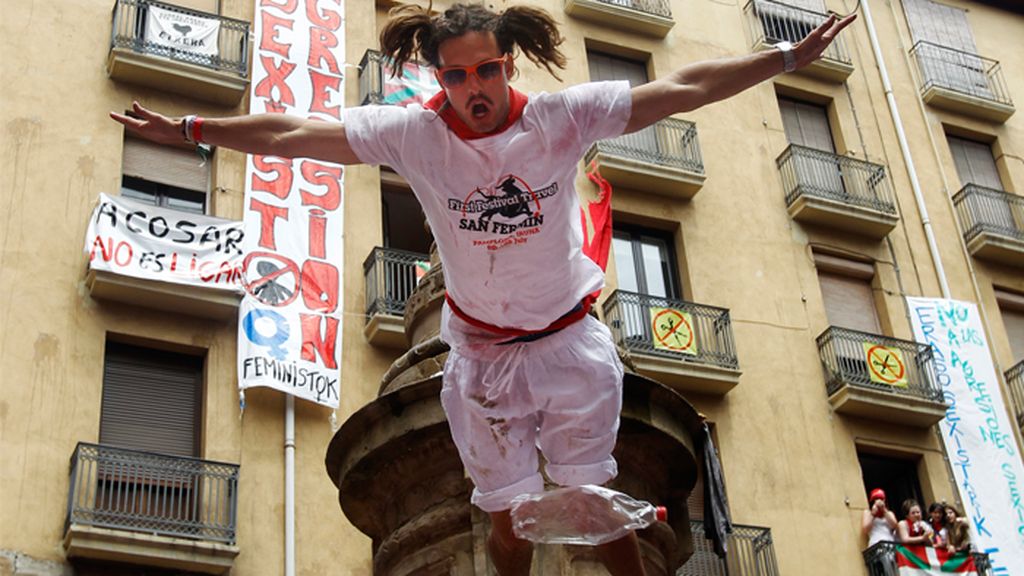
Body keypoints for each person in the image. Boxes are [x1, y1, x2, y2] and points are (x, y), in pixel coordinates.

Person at [111, 4, 855, 575]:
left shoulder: (561, 118)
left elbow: (682, 88)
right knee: (505, 517)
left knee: (596, 507)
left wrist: (786, 57)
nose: (475, 89)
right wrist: (194, 128)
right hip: (482, 358)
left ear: (508, 64)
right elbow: (292, 134)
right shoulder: (412, 134)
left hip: (568, 345)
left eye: (487, 71)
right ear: (438, 78)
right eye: (457, 76)